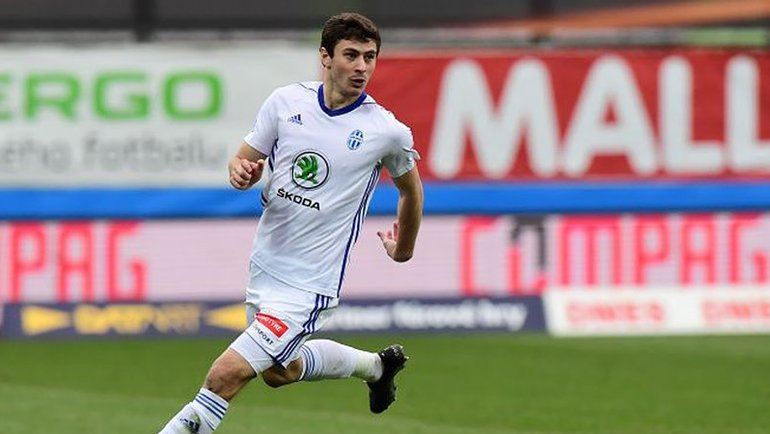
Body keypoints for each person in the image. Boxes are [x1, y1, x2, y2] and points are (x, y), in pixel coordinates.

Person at [158, 11, 423, 434]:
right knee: (280, 371)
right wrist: (241, 172)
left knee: (224, 376)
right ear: (325, 56)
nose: (361, 67)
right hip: (264, 269)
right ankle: (377, 367)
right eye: (351, 55)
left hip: (308, 285)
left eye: (369, 57)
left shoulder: (386, 131)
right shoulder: (286, 103)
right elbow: (245, 160)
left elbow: (411, 190)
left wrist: (403, 249)